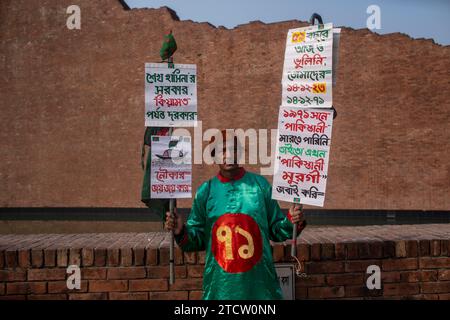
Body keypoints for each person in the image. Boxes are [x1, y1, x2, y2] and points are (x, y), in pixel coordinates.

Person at [165, 130, 307, 300]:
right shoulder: (206, 191)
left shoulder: (259, 186)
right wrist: (181, 231)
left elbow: (276, 230)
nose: (227, 155)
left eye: (232, 150)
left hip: (259, 286)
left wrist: (291, 220)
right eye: (221, 151)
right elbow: (197, 240)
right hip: (219, 287)